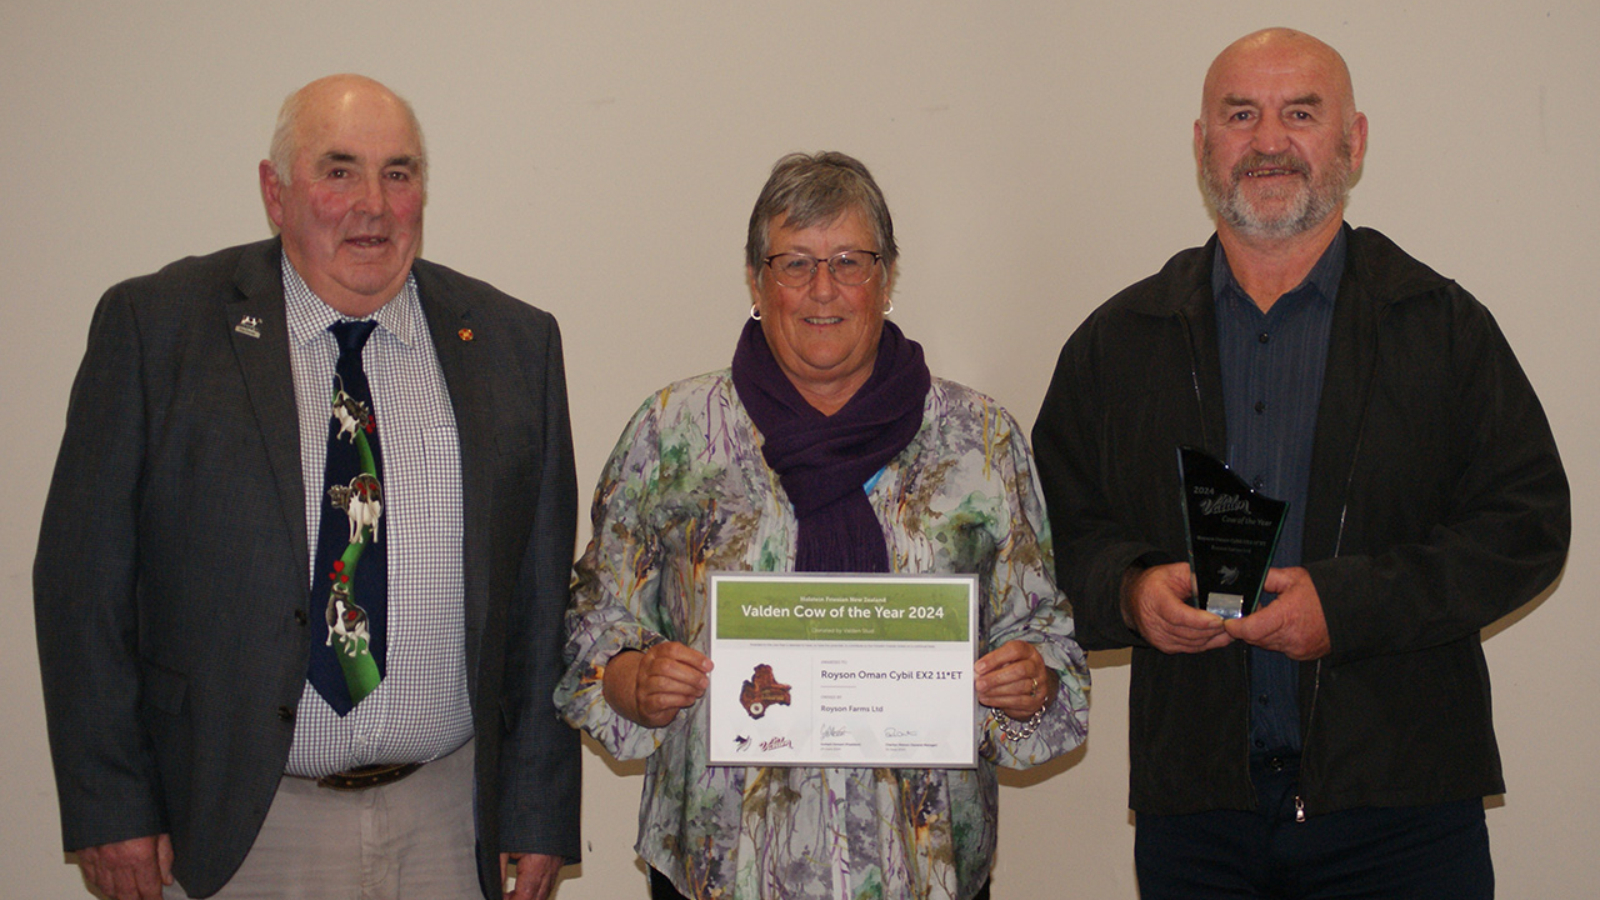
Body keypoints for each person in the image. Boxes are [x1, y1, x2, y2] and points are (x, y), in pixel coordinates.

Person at [1032, 28, 1570, 899]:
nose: (1269, 140)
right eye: (1240, 115)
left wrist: (1347, 607)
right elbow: (1051, 534)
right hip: (1197, 822)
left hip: (1404, 815)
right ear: (1202, 145)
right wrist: (1130, 593)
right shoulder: (1119, 344)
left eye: (1301, 113)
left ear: (1353, 141)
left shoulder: (1440, 327)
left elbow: (1527, 527)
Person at [34, 74, 579, 900]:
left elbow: (544, 604)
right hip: (237, 826)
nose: (372, 203)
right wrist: (110, 804)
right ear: (274, 192)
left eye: (397, 174)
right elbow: (84, 588)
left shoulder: (513, 344)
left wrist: (536, 812)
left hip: (447, 819)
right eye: (338, 171)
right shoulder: (159, 329)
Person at [555, 151, 1089, 900]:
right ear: (755, 280)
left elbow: (1047, 636)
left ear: (888, 275)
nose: (823, 290)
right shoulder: (672, 434)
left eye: (849, 261)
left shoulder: (981, 440)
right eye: (794, 264)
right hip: (721, 871)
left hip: (922, 870)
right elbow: (592, 624)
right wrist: (627, 680)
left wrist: (1030, 680)